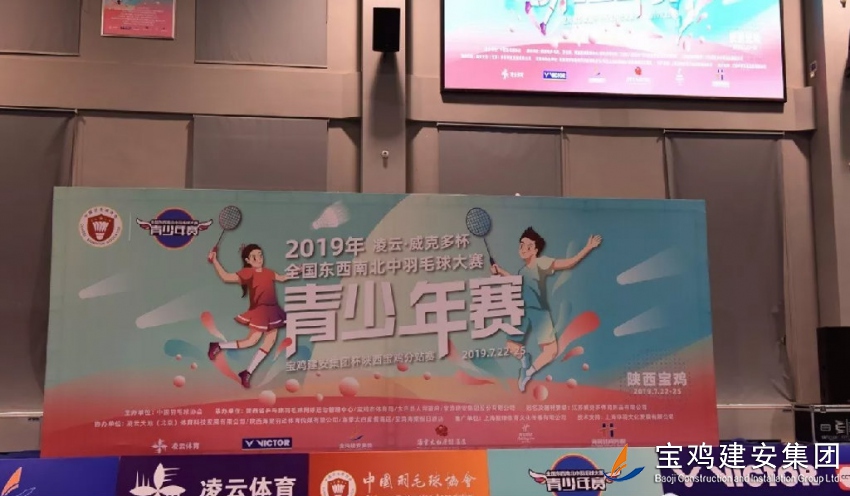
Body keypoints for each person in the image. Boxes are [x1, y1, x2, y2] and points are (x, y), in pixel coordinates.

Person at [491, 227, 602, 392]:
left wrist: (588, 247)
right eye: (521, 245)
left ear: (535, 250)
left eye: (528, 246)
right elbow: (516, 281)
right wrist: (500, 271)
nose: (523, 249)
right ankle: (524, 359)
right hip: (522, 311)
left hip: (539, 313)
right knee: (511, 345)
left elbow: (568, 263)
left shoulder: (541, 263)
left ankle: (528, 372)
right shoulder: (522, 271)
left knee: (551, 351)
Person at [207, 243, 297, 389]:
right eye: (254, 257)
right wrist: (215, 260)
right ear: (248, 260)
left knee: (269, 342)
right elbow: (226, 277)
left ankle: (247, 372)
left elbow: (281, 278)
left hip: (273, 310)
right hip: (260, 311)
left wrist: (296, 272)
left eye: (260, 255)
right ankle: (218, 346)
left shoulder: (268, 272)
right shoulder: (248, 273)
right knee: (251, 341)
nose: (259, 259)